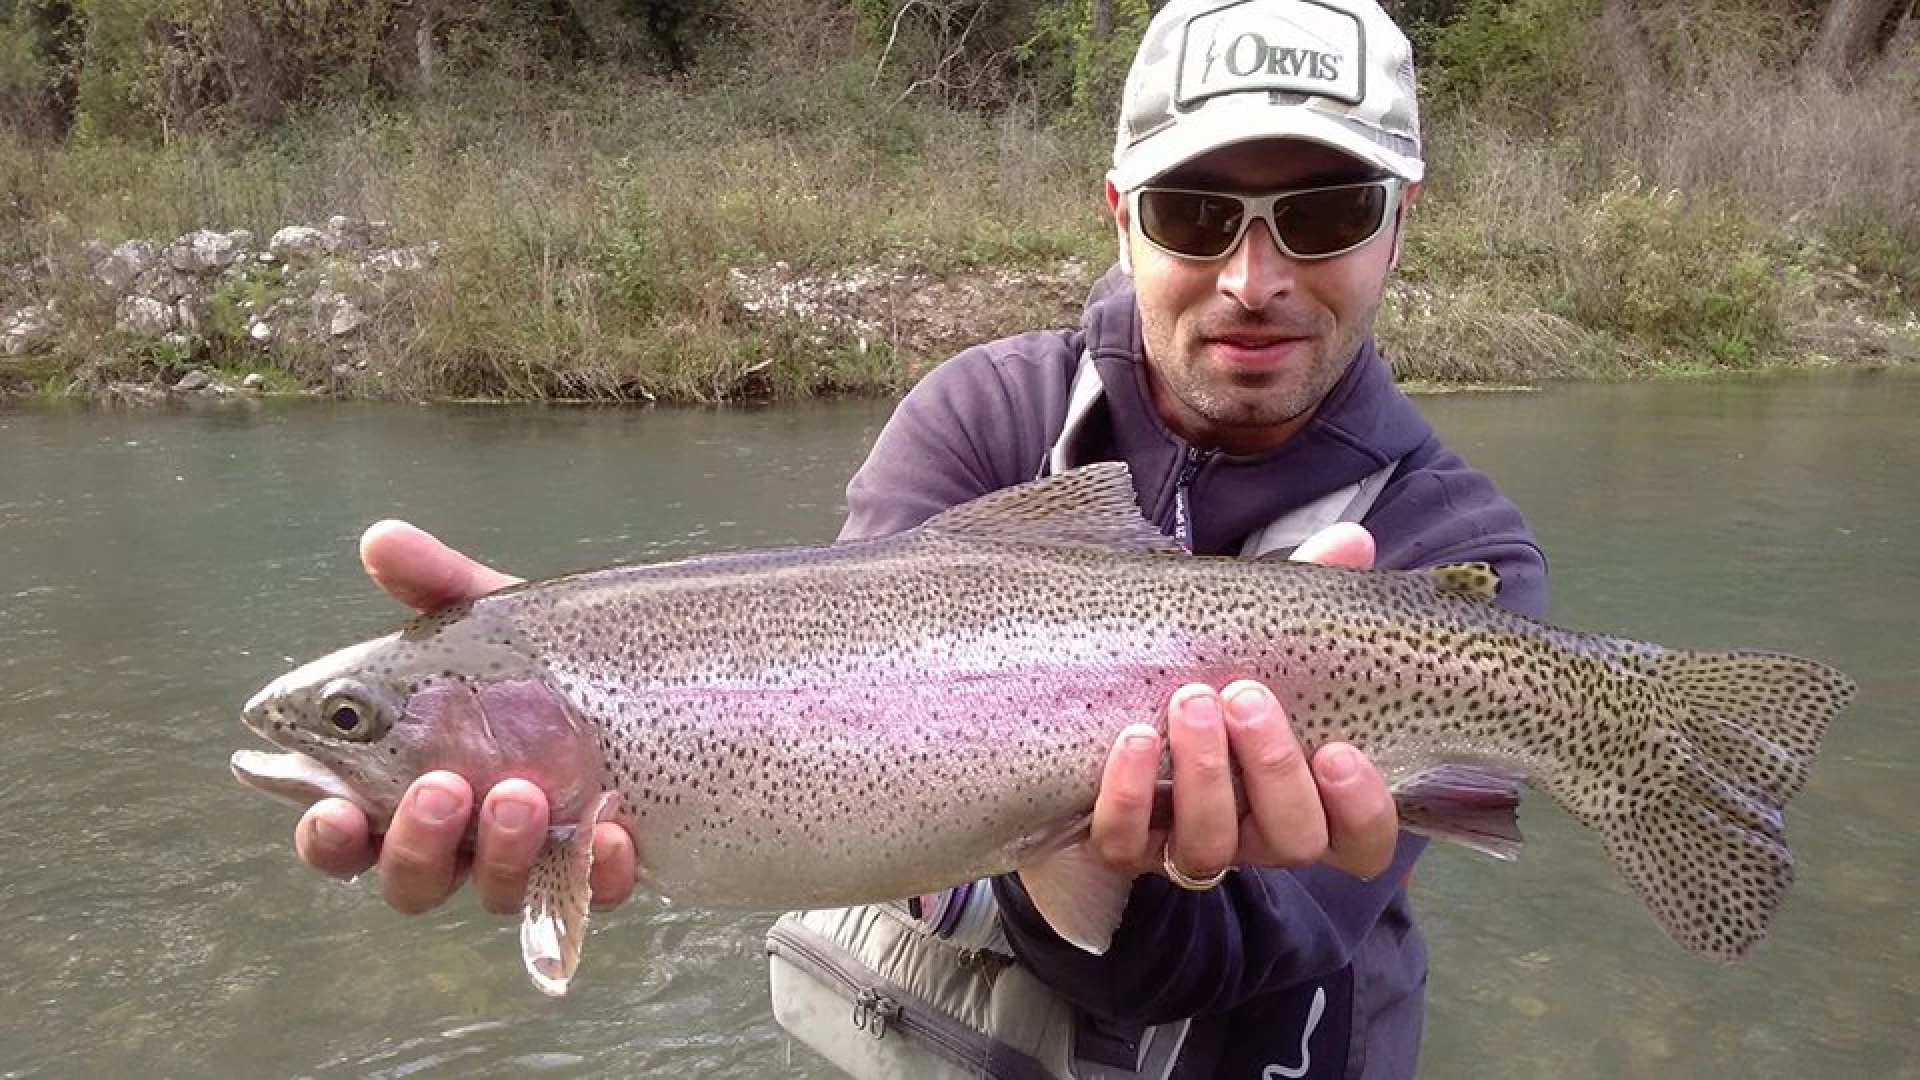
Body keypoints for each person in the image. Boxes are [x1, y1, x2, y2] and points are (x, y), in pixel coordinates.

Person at [294, 0, 1547, 1074]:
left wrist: (1146, 864)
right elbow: (850, 717)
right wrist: (620, 673)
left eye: (1324, 213)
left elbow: (1231, 960)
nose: (1255, 276)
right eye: (1194, 211)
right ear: (1121, 214)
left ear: (1400, 219)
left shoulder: (1451, 546)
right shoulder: (985, 413)